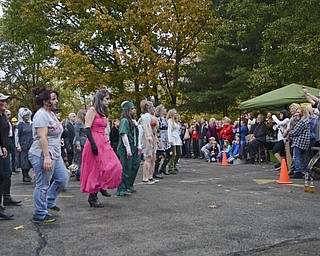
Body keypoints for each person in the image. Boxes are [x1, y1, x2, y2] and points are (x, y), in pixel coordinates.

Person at [28, 87, 69, 223]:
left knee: (62, 179)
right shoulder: (41, 115)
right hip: (42, 154)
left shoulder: (50, 114)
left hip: (55, 153)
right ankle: (39, 213)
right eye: (53, 99)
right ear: (46, 101)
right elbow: (42, 137)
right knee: (43, 184)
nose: (56, 101)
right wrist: (46, 157)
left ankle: (49, 201)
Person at [80, 89, 122, 207]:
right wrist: (93, 144)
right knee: (96, 169)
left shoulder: (103, 112)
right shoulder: (92, 111)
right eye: (106, 99)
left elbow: (105, 129)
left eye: (109, 99)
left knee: (115, 165)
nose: (108, 101)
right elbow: (87, 128)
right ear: (100, 99)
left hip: (103, 142)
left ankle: (102, 185)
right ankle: (93, 196)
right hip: (94, 141)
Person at [116, 101, 141, 196]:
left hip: (134, 146)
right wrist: (128, 149)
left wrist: (138, 146)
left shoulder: (133, 121)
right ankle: (121, 189)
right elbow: (123, 134)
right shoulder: (124, 121)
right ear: (127, 110)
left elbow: (137, 135)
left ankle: (129, 185)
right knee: (125, 168)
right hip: (125, 148)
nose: (134, 110)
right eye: (132, 109)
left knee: (135, 165)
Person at [284, 107, 310, 179]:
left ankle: (298, 171)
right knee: (302, 157)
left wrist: (287, 132)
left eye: (298, 112)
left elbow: (296, 132)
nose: (296, 114)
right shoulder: (305, 121)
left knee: (296, 157)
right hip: (304, 142)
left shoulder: (302, 122)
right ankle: (303, 170)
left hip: (299, 142)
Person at [0, 93, 15, 220]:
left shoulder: (3, 116)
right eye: (2, 101)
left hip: (4, 149)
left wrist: (5, 146)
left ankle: (5, 200)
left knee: (5, 175)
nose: (4, 103)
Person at [140, 100, 158, 184]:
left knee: (153, 157)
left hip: (153, 137)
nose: (154, 108)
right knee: (148, 157)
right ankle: (145, 177)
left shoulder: (152, 117)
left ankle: (150, 176)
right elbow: (146, 127)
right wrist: (149, 136)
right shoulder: (145, 116)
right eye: (152, 107)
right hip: (148, 138)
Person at [15, 108, 33, 182]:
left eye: (28, 115)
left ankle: (27, 174)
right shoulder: (19, 125)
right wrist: (17, 145)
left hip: (31, 145)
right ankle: (24, 175)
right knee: (24, 161)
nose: (27, 116)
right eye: (25, 115)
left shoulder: (31, 124)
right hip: (23, 145)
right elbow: (16, 135)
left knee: (30, 161)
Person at [154, 104, 171, 178]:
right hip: (161, 138)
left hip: (166, 139)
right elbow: (157, 130)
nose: (165, 110)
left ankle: (163, 167)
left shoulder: (165, 119)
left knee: (170, 153)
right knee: (159, 155)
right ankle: (155, 171)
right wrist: (158, 139)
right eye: (164, 109)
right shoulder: (158, 119)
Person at [73, 109, 87, 181]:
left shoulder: (84, 124)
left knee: (82, 159)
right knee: (78, 159)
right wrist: (78, 145)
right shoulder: (78, 124)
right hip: (80, 143)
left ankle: (80, 172)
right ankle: (77, 173)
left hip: (84, 142)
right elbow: (77, 135)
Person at [167, 109, 182, 174]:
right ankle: (171, 168)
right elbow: (169, 131)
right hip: (172, 138)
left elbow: (178, 132)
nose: (176, 114)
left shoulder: (177, 122)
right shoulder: (170, 121)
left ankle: (174, 165)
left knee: (179, 153)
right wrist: (170, 140)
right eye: (175, 113)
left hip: (177, 139)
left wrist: (180, 140)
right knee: (173, 154)